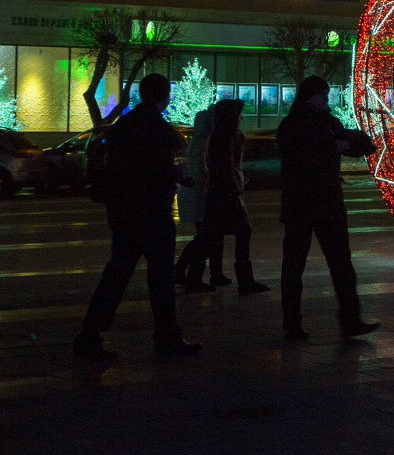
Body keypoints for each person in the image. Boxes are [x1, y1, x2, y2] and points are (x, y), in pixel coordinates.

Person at [74, 73, 201, 360]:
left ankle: (89, 336)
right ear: (164, 96)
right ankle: (167, 337)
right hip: (153, 212)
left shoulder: (124, 125)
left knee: (116, 276)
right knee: (161, 279)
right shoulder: (157, 128)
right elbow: (155, 169)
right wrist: (177, 174)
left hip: (124, 213)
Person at [277, 75, 379, 341]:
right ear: (310, 96)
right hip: (305, 204)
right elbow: (296, 159)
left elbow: (358, 146)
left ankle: (350, 318)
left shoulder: (328, 122)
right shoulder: (292, 125)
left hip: (324, 204)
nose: (327, 100)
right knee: (297, 266)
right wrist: (329, 147)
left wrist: (361, 140)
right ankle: (293, 323)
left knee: (340, 263)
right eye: (323, 95)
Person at [183, 99, 268, 295]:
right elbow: (224, 166)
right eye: (238, 114)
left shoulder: (224, 135)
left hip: (220, 193)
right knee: (240, 233)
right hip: (225, 194)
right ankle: (244, 282)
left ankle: (194, 277)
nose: (241, 117)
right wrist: (234, 188)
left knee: (209, 236)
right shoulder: (225, 137)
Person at [174, 106, 230, 290]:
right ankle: (188, 273)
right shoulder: (202, 143)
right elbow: (201, 173)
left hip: (195, 196)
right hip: (200, 196)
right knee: (206, 237)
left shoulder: (198, 141)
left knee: (206, 236)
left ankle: (202, 272)